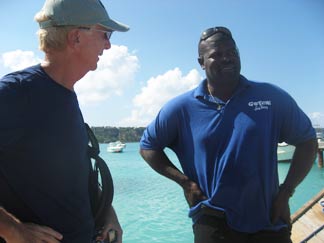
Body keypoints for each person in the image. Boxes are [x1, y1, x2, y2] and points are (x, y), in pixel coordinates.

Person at [139, 26, 318, 243]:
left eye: (232, 53)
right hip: (213, 219)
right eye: (216, 54)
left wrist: (286, 191)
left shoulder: (271, 98)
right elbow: (148, 147)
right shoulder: (181, 108)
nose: (227, 59)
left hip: (268, 218)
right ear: (201, 62)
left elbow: (308, 141)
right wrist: (186, 183)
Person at [0, 0, 128, 242]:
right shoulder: (15, 93)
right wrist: (13, 230)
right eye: (105, 34)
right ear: (76, 37)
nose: (109, 45)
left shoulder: (65, 95)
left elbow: (78, 178)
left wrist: (108, 215)